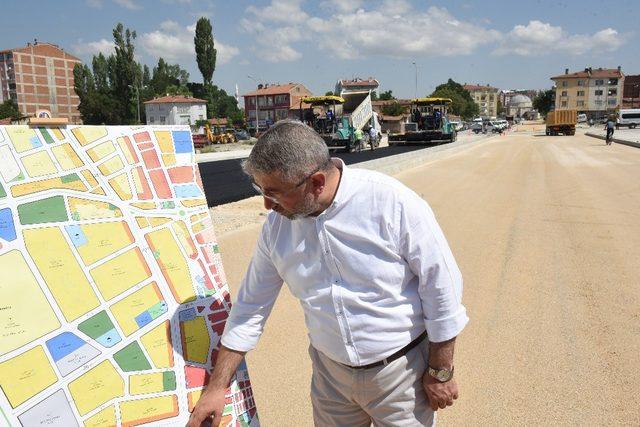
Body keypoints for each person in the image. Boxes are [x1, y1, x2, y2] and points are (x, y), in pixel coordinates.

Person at [187, 120, 468, 427]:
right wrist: (216, 388)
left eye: (274, 193)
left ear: (317, 182)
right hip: (330, 380)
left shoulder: (391, 203)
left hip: (401, 376)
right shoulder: (277, 230)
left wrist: (441, 372)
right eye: (261, 191)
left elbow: (441, 288)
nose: (268, 205)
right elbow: (250, 308)